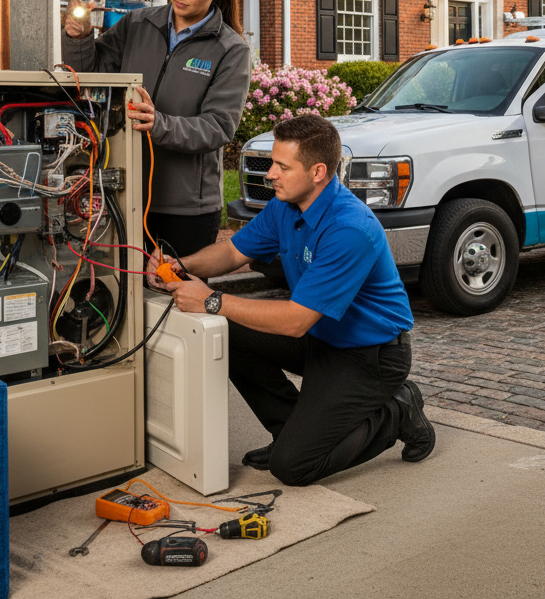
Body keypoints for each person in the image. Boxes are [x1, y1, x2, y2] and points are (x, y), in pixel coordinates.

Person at [147, 113, 435, 486]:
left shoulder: (349, 229)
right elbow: (234, 252)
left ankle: (398, 411)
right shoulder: (286, 206)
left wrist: (211, 300)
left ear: (317, 172)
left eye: (282, 166)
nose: (270, 175)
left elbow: (295, 321)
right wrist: (180, 264)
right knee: (223, 333)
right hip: (320, 339)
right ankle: (288, 430)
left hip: (370, 356)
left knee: (294, 467)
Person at [63, 0, 251, 254]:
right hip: (123, 194)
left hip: (186, 210)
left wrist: (158, 124)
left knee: (173, 300)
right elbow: (88, 78)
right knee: (125, 298)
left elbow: (218, 128)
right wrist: (80, 38)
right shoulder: (137, 23)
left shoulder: (231, 49)